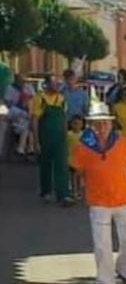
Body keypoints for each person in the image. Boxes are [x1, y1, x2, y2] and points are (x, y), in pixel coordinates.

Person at [71, 102, 126, 284]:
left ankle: (125, 271)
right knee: (102, 245)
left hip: (124, 199)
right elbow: (78, 171)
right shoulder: (82, 147)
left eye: (104, 123)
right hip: (98, 201)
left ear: (111, 124)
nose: (101, 127)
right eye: (96, 124)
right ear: (90, 125)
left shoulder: (122, 142)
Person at [33, 75, 75, 206]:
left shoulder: (61, 99)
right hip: (45, 136)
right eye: (55, 83)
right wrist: (36, 141)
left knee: (62, 164)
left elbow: (63, 119)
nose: (58, 85)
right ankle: (46, 191)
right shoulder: (40, 99)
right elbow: (35, 120)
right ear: (47, 84)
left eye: (58, 83)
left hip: (59, 138)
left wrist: (65, 135)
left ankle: (64, 195)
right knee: (45, 164)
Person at [6, 73, 35, 156]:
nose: (23, 83)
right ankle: (29, 148)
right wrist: (19, 103)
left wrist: (27, 101)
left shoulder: (29, 87)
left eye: (24, 81)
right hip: (16, 110)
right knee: (28, 125)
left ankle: (22, 148)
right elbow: (8, 103)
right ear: (16, 80)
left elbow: (33, 98)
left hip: (28, 111)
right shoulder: (10, 88)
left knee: (28, 125)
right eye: (21, 81)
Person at [66, 114, 85, 200]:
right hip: (71, 159)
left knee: (80, 177)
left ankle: (79, 191)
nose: (77, 126)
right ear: (71, 124)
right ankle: (74, 192)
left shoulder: (84, 135)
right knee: (74, 176)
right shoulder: (68, 135)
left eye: (79, 124)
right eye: (75, 123)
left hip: (81, 160)